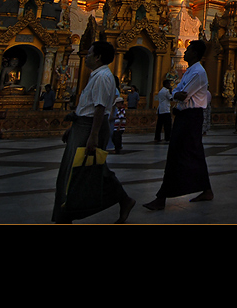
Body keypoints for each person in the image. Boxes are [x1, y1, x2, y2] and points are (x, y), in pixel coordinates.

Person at [51, 40, 135, 224]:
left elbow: (99, 108)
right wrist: (73, 128)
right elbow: (88, 106)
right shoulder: (96, 75)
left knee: (80, 170)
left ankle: (68, 212)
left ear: (97, 57)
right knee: (93, 168)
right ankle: (124, 200)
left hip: (92, 127)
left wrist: (93, 135)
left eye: (89, 53)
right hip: (84, 125)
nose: (86, 56)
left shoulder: (103, 77)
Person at [143, 40, 214, 210]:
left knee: (178, 153)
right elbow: (175, 92)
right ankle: (206, 189)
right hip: (185, 116)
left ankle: (162, 197)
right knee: (193, 153)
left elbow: (183, 95)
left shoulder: (198, 73)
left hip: (191, 116)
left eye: (188, 49)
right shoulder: (190, 71)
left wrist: (176, 94)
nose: (185, 51)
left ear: (195, 54)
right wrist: (176, 94)